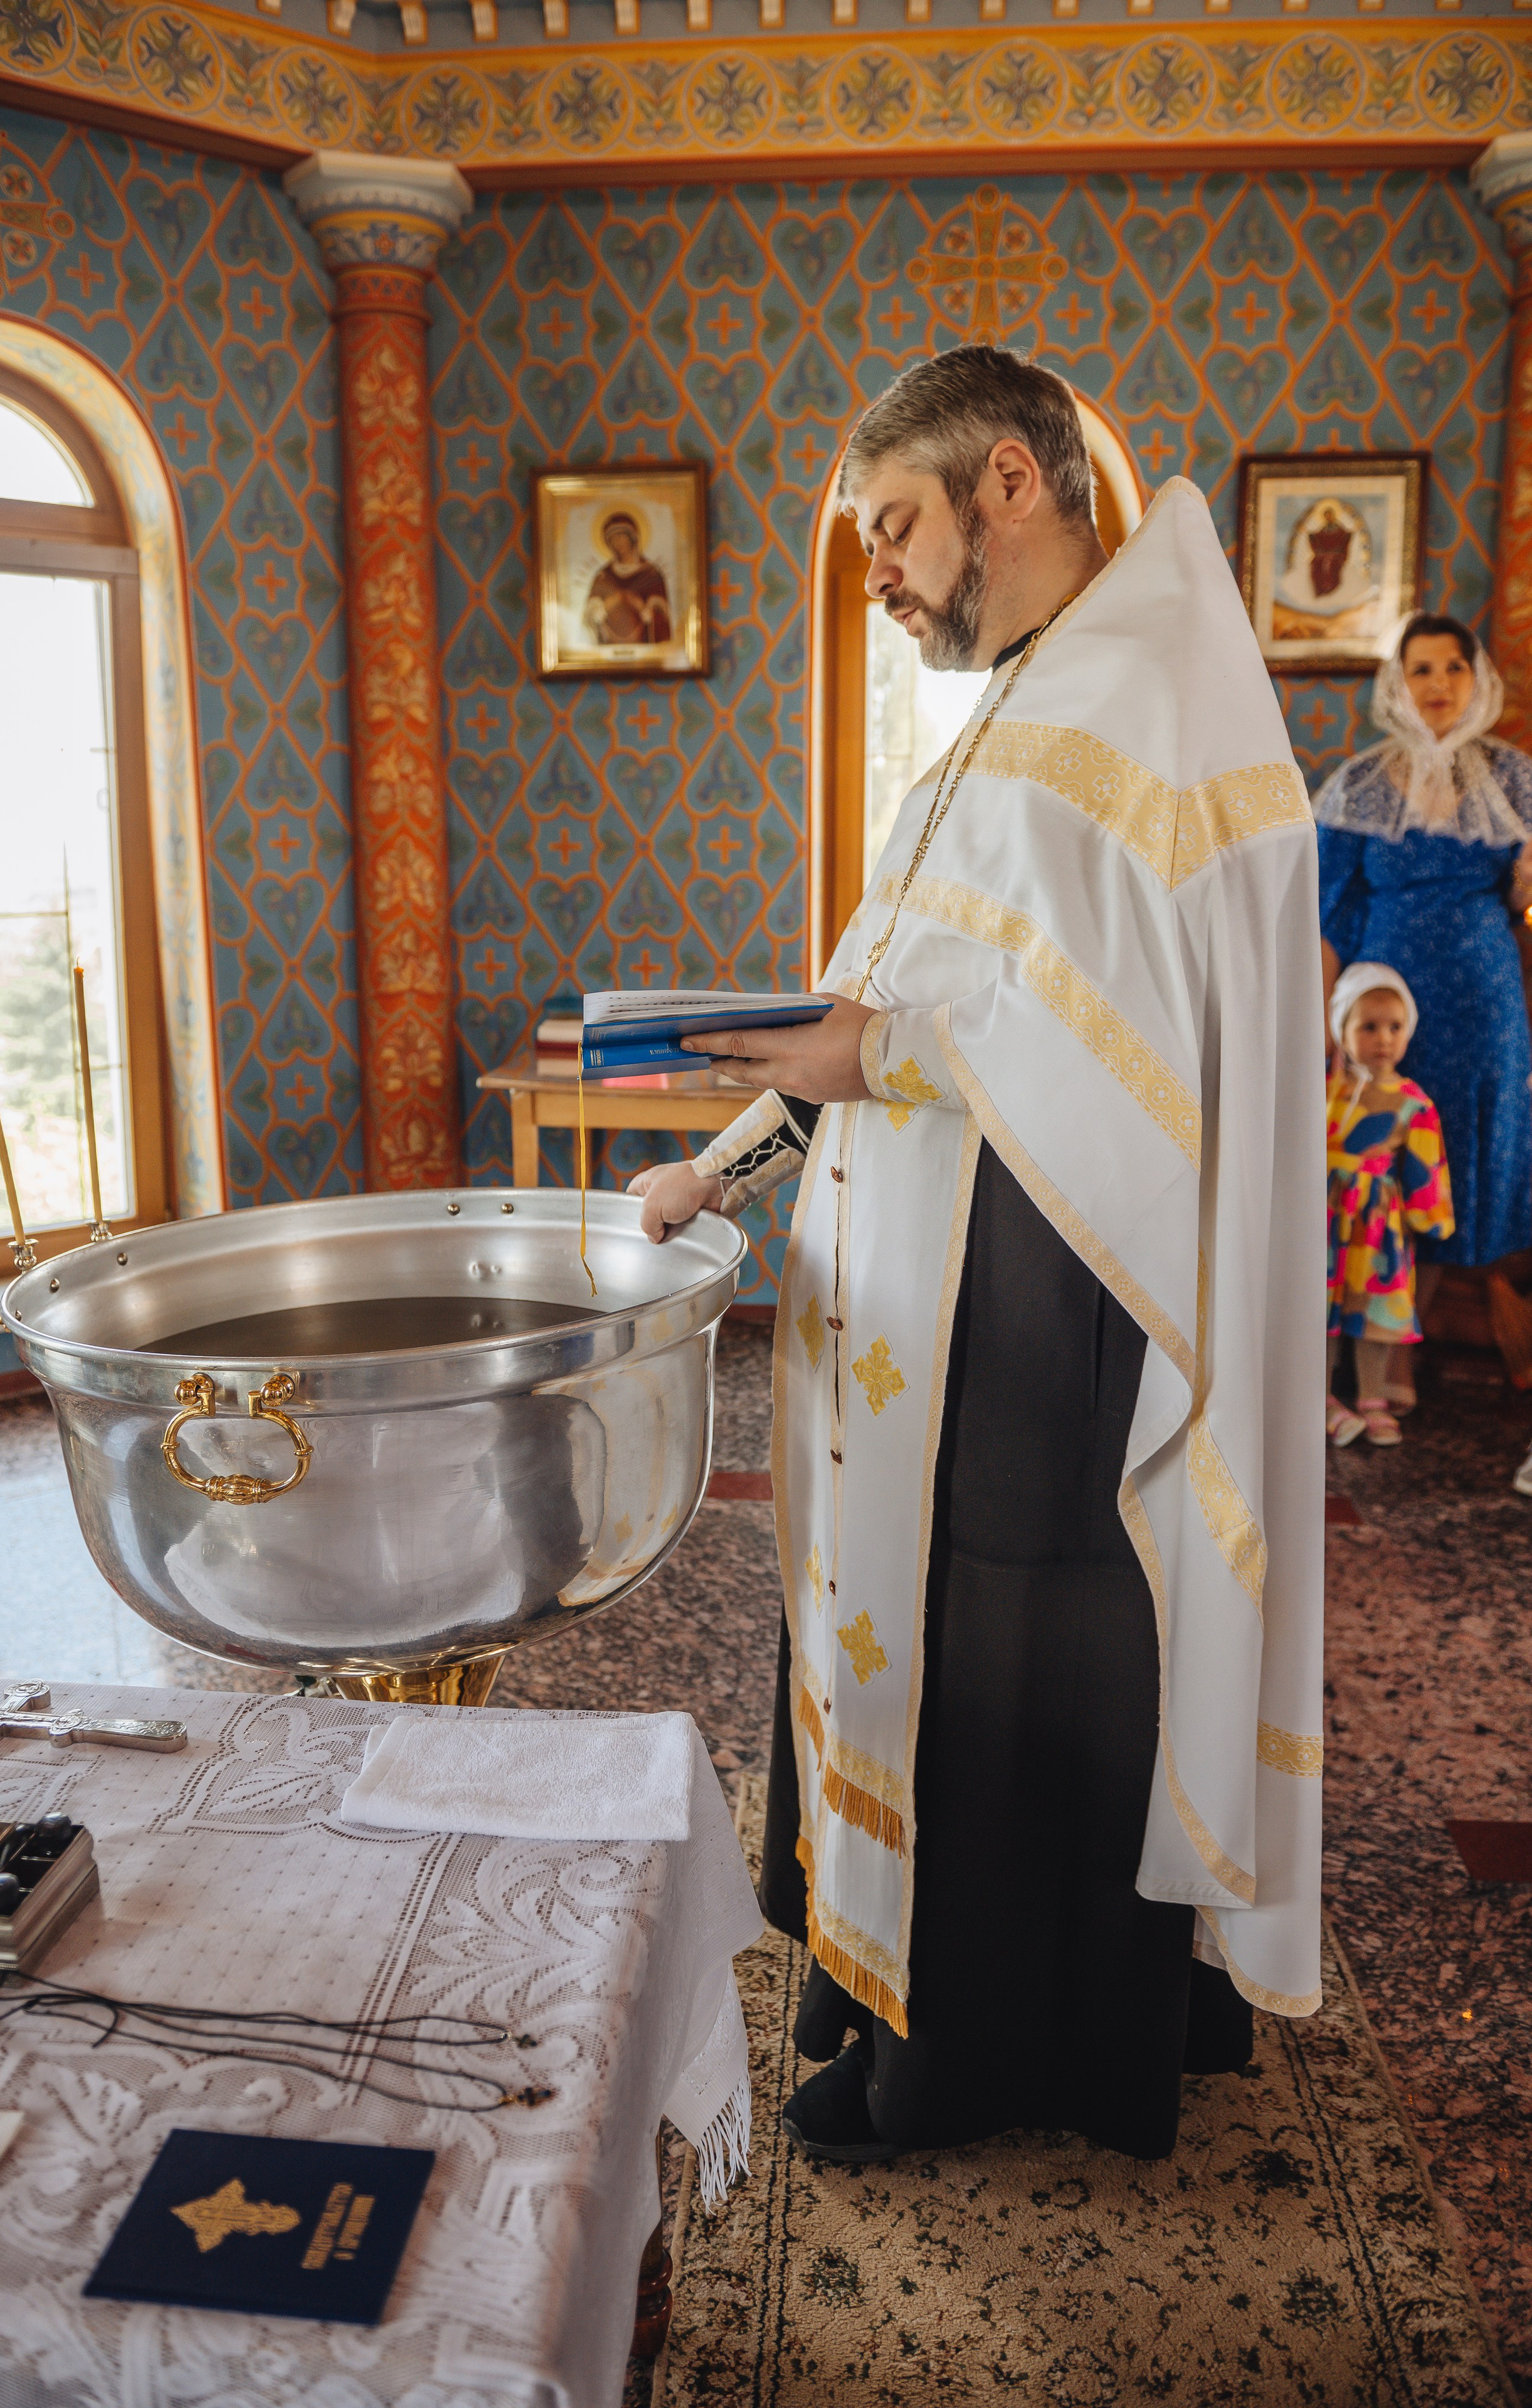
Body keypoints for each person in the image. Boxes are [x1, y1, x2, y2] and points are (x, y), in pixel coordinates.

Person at [627, 346, 1324, 2166]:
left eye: (895, 525)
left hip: (1057, 1301)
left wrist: (872, 1059)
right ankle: (942, 1998)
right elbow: (896, 999)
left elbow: (1119, 1048)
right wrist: (720, 1165)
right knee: (928, 1648)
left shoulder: (1149, 694)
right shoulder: (1021, 705)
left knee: (1014, 1657)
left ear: (1011, 483)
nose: (876, 569)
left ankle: (995, 2062)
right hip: (937, 1308)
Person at [1315, 615, 1532, 1418]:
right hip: (1376, 1007)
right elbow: (1326, 915)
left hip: (1483, 1009)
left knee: (1450, 1171)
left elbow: (1523, 905)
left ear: (1478, 680)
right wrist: (1322, 1025)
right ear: (1396, 684)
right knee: (1366, 1170)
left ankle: (1401, 1346)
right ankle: (1353, 1352)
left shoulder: (1513, 780)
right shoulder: (1359, 783)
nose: (1438, 684)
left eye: (1453, 667)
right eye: (1421, 669)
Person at [1324, 964, 1454, 1450]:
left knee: (1374, 1312)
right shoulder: (1325, 1091)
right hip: (1327, 1219)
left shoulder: (1413, 1102)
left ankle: (1372, 1397)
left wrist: (1430, 1218)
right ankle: (1321, 1398)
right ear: (1343, 1029)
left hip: (1376, 1228)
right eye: (1369, 1026)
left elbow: (1426, 1165)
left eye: (1395, 1027)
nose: (1384, 1039)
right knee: (1324, 1312)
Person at [583, 510, 671, 647]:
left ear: (632, 538)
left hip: (645, 650)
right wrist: (611, 603)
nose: (617, 542)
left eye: (621, 536)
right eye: (612, 538)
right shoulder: (603, 576)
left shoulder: (652, 574)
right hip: (609, 649)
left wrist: (641, 606)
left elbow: (662, 620)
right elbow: (589, 620)